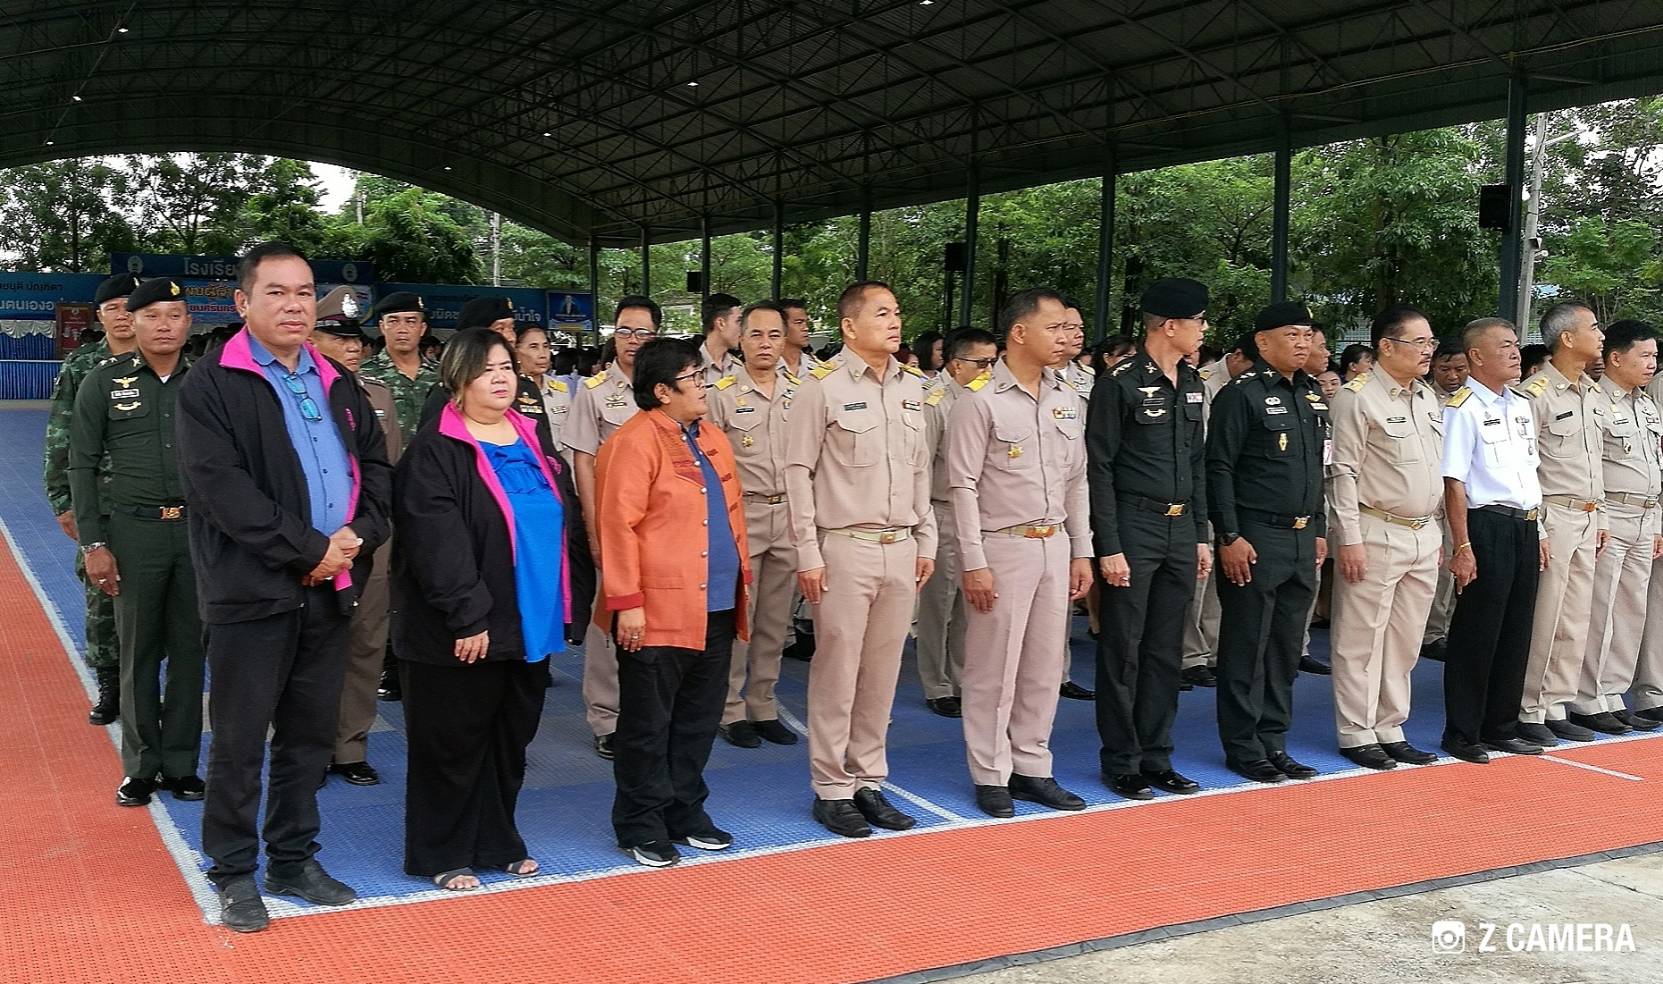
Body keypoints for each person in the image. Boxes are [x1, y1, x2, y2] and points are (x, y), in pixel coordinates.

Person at [177, 243, 393, 933]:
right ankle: (234, 872)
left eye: (304, 292)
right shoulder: (212, 385)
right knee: (240, 740)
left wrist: (354, 538)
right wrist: (309, 550)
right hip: (252, 592)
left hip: (332, 585)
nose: (295, 304)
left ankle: (293, 858)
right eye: (276, 292)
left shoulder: (337, 381)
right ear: (243, 303)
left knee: (307, 737)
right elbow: (221, 490)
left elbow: (375, 470)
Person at [393, 328, 569, 890]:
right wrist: (469, 615)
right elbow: (435, 543)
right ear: (457, 378)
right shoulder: (435, 450)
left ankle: (497, 839)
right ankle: (441, 849)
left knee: (508, 738)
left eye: (506, 367)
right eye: (486, 368)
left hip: (530, 620)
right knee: (452, 740)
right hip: (463, 625)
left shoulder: (532, 438)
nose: (501, 377)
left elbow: (563, 526)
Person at [785, 281, 936, 838]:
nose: (895, 322)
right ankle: (831, 786)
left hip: (900, 546)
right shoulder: (819, 389)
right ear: (849, 326)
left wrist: (927, 538)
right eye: (882, 314)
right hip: (844, 546)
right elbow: (797, 472)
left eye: (897, 312)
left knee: (883, 673)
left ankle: (869, 778)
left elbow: (921, 471)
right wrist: (807, 550)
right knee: (837, 671)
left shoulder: (912, 389)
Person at [595, 337, 750, 868]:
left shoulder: (709, 436)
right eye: (694, 378)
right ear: (662, 391)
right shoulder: (635, 441)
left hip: (718, 603)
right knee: (647, 724)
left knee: (698, 718)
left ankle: (685, 808)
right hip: (656, 610)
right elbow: (617, 525)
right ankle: (641, 820)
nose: (704, 386)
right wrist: (627, 602)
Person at [949, 289, 1092, 817]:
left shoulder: (1067, 396)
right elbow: (961, 485)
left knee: (1043, 663)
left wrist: (1082, 550)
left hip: (1054, 544)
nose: (1066, 338)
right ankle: (990, 772)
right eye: (1054, 327)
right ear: (1019, 333)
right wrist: (974, 561)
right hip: (1001, 546)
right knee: (994, 666)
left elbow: (1076, 479)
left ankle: (1033, 764)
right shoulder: (980, 400)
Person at [69, 276, 205, 807]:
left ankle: (181, 764)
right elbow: (80, 464)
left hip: (197, 532)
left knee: (191, 653)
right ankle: (141, 766)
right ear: (134, 321)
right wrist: (93, 543)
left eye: (175, 314)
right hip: (134, 532)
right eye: (153, 315)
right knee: (138, 652)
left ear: (188, 322)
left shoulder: (207, 382)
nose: (164, 324)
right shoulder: (104, 381)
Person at [1085, 278, 1211, 801]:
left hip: (1181, 528)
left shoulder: (1195, 382)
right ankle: (1122, 758)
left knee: (1166, 649)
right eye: (1199, 321)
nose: (1204, 329)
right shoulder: (1121, 382)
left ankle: (1157, 754)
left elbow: (1198, 464)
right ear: (1169, 325)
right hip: (1133, 527)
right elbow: (1100, 468)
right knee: (1124, 648)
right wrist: (1108, 545)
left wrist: (1202, 534)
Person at [1207, 301, 1329, 783]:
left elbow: (1317, 468)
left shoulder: (1311, 394)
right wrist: (1229, 535)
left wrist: (1319, 527)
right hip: (1257, 536)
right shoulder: (1243, 394)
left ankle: (1274, 739)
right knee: (1246, 645)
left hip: (1301, 538)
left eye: (1307, 335)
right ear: (1262, 342)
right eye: (1292, 335)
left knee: (1284, 649)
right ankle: (1242, 744)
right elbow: (1219, 467)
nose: (1303, 343)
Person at [1326, 305, 1445, 770]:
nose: (1428, 351)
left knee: (1404, 639)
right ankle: (1357, 730)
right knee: (1361, 637)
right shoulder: (1357, 398)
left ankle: (1390, 724)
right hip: (1375, 529)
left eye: (1431, 343)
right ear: (1386, 346)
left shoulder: (1426, 397)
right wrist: (1348, 538)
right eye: (1419, 343)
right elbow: (1342, 472)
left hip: (1421, 533)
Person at [310, 287, 403, 787]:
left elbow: (388, 471)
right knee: (313, 644)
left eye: (355, 339)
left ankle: (350, 746)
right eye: (336, 336)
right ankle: (308, 744)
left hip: (370, 538)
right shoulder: (295, 393)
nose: (350, 346)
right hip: (314, 539)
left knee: (367, 641)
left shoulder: (378, 398)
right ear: (311, 336)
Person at [1440, 317, 1545, 763]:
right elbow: (1454, 481)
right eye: (1504, 346)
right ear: (1477, 356)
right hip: (1486, 524)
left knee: (1517, 629)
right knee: (1478, 631)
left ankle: (1501, 724)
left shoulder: (1520, 404)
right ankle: (1463, 731)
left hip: (1523, 523)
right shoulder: (1462, 408)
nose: (1515, 353)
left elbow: (1529, 472)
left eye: (1516, 345)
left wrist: (1537, 527)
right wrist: (1462, 545)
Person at [565, 298, 659, 759]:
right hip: (613, 523)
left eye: (642, 333)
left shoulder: (666, 388)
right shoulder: (596, 391)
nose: (633, 342)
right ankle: (606, 715)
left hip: (660, 529)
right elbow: (583, 461)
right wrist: (593, 524)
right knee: (609, 619)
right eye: (625, 332)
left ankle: (646, 710)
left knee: (656, 620)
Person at [706, 302, 801, 748]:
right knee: (739, 615)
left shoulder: (803, 391)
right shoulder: (720, 393)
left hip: (790, 514)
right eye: (757, 335)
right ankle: (729, 707)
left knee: (775, 618)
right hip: (742, 514)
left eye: (774, 335)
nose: (766, 344)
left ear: (786, 340)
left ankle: (763, 701)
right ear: (740, 340)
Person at [46, 273, 137, 725]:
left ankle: (147, 687)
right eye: (113, 308)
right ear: (99, 317)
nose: (123, 315)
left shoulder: (168, 362)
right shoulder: (83, 367)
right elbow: (59, 436)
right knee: (102, 597)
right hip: (99, 504)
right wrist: (63, 500)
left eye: (130, 305)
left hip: (161, 505)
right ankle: (109, 686)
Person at [1513, 301, 1606, 746]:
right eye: (1593, 328)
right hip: (1553, 513)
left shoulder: (1591, 391)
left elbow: (1595, 463)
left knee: (1575, 617)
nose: (1601, 336)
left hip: (1588, 514)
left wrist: (1601, 513)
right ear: (1567, 338)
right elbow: (1525, 467)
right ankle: (1529, 706)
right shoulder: (1535, 394)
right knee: (1545, 616)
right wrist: (1539, 528)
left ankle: (1556, 702)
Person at [1572, 320, 1663, 734]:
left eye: (1654, 356)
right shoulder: (1592, 400)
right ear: (1615, 357)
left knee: (1631, 609)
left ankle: (1613, 691)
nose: (1651, 363)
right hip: (1610, 514)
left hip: (1645, 515)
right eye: (1644, 355)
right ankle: (1586, 695)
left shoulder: (1645, 403)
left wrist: (1657, 519)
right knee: (1599, 607)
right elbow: (1590, 468)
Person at [916, 328, 999, 717]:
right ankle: (937, 683)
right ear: (955, 364)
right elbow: (920, 466)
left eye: (994, 362)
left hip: (982, 511)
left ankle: (964, 677)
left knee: (973, 602)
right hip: (943, 508)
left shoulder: (988, 399)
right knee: (940, 603)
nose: (989, 369)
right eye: (981, 363)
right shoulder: (935, 402)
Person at [1181, 334, 1255, 689]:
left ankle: (1211, 651)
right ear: (1237, 356)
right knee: (1198, 577)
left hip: (1233, 494)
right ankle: (1189, 655)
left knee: (1218, 584)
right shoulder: (1207, 382)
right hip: (1206, 488)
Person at [1057, 298, 1097, 700]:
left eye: (1078, 328)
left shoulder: (1086, 379)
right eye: (1066, 327)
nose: (1075, 334)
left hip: (1074, 492)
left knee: (1065, 594)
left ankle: (1060, 673)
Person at [1421, 340, 1471, 663]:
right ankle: (1432, 632)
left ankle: (1452, 626)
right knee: (1439, 569)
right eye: (1445, 369)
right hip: (1434, 494)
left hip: (1464, 494)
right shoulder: (1427, 399)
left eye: (1459, 369)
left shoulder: (1472, 400)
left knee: (1461, 559)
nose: (1452, 376)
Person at [360, 291, 439, 439]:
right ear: (382, 327)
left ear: (422, 329)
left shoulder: (442, 374)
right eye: (393, 321)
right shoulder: (364, 375)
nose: (402, 329)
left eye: (410, 322)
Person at [515, 323, 573, 463]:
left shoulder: (561, 390)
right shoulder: (509, 390)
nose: (543, 354)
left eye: (546, 346)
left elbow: (569, 445)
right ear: (516, 351)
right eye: (533, 347)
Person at [699, 292, 743, 387]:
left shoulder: (739, 367)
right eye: (738, 321)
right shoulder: (690, 367)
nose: (742, 328)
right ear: (721, 323)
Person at [780, 299, 813, 378]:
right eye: (799, 323)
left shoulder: (816, 367)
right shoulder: (766, 366)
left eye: (806, 323)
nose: (806, 328)